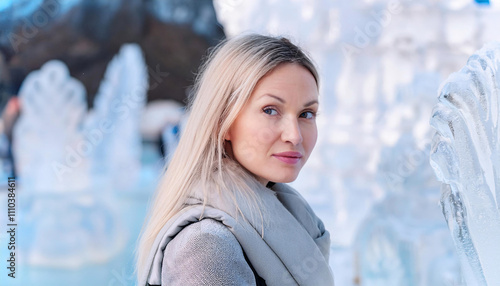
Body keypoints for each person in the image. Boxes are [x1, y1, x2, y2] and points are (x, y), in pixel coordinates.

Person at [136, 33, 335, 286]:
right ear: (224, 121)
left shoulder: (293, 217)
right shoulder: (206, 246)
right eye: (270, 110)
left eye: (306, 113)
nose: (294, 135)